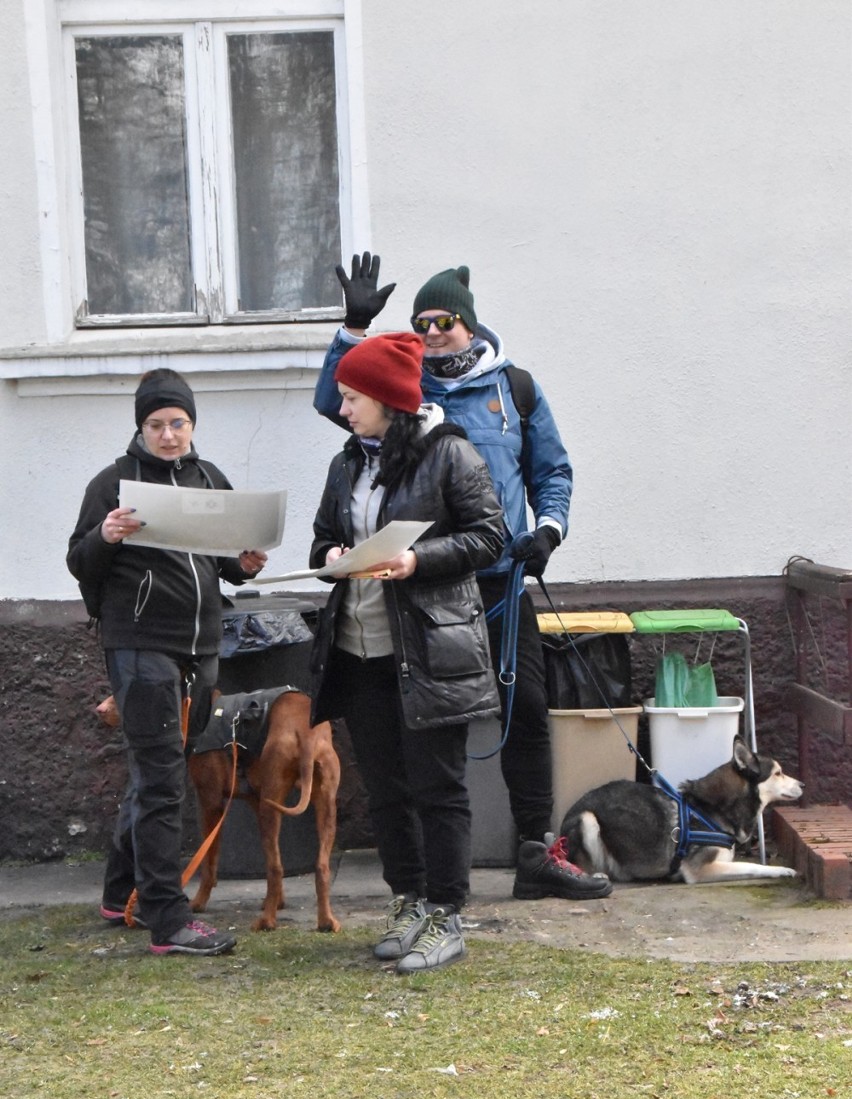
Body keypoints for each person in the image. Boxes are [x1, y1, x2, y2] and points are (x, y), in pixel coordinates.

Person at [314, 253, 612, 902]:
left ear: (470, 324)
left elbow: (552, 469)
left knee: (527, 710)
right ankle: (423, 887)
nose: (432, 331)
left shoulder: (515, 388)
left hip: (503, 579)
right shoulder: (407, 393)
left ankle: (536, 851)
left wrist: (549, 531)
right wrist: (353, 329)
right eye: (420, 321)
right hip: (424, 587)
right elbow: (336, 400)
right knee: (418, 730)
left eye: (444, 319)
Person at [309, 330, 504, 972]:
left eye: (352, 397)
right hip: (358, 649)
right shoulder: (346, 463)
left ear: (388, 399)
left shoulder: (448, 454)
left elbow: (490, 537)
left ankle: (446, 915)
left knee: (437, 788)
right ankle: (409, 902)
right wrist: (332, 557)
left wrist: (416, 559)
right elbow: (322, 539)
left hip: (428, 652)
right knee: (388, 791)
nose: (343, 409)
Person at [67, 368, 268, 956]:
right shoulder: (112, 483)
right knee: (160, 780)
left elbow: (223, 563)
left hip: (201, 646)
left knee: (158, 770)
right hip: (138, 643)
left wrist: (245, 564)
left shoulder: (209, 479)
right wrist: (104, 535)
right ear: (141, 428)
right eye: (156, 424)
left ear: (192, 424)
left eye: (177, 422)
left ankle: (118, 891)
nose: (169, 434)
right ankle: (167, 919)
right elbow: (80, 563)